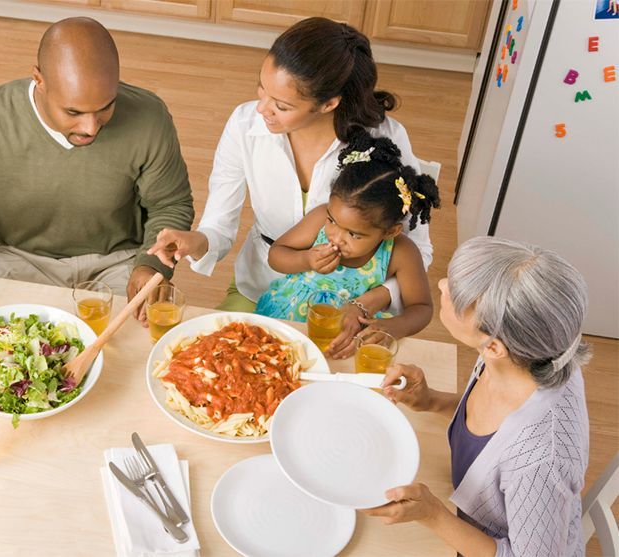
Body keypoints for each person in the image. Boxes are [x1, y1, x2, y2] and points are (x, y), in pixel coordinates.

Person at [147, 17, 432, 355]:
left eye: (281, 106)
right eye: (262, 89)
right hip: (261, 287)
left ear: (329, 104)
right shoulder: (244, 125)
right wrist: (193, 241)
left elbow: (417, 250)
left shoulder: (385, 140)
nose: (261, 109)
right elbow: (219, 224)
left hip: (344, 310)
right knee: (210, 360)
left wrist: (369, 301)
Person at [0, 17, 194, 320]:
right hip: (16, 260)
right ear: (39, 80)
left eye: (106, 106)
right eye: (73, 112)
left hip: (118, 264)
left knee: (134, 356)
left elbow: (170, 205)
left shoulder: (149, 118)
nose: (91, 127)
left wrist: (149, 266)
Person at [366, 237, 591, 557]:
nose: (443, 285)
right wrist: (431, 400)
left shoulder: (541, 459)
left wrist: (432, 514)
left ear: (495, 346)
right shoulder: (534, 354)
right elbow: (491, 424)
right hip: (470, 506)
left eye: (456, 294)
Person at [254, 132, 438, 343]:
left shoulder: (401, 252)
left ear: (390, 231)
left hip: (350, 335)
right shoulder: (320, 217)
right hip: (288, 321)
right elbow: (276, 254)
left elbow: (422, 307)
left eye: (353, 234)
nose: (336, 237)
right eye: (332, 221)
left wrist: (395, 326)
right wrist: (305, 260)